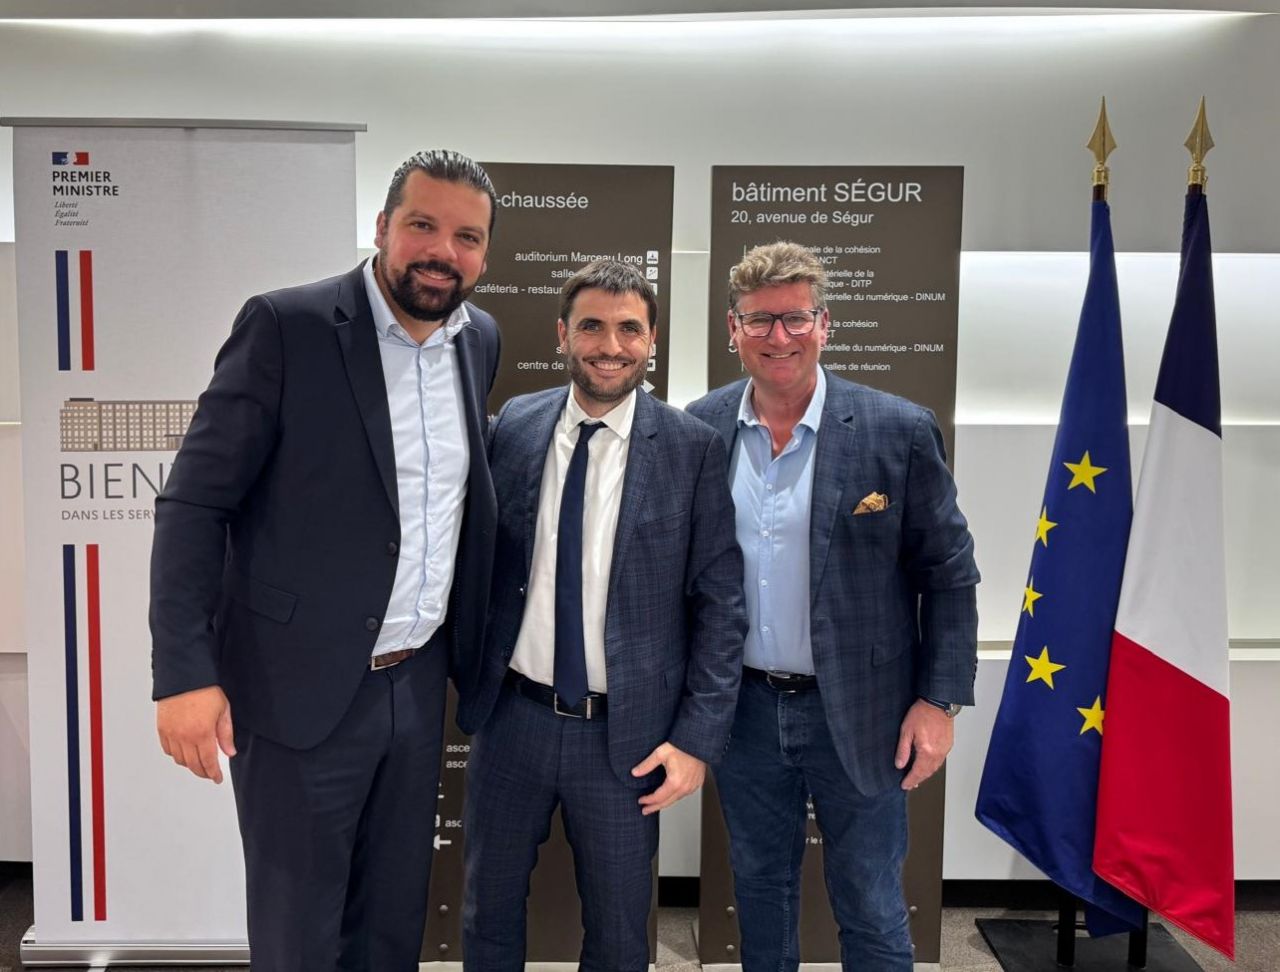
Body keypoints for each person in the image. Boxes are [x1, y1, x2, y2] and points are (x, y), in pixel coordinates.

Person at [149, 150, 501, 972]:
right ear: (382, 226)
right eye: (422, 225)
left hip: (417, 684)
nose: (442, 252)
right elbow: (194, 504)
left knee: (390, 926)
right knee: (299, 935)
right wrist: (183, 673)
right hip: (296, 688)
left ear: (484, 255)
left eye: (467, 237)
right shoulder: (287, 327)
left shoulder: (477, 339)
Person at [687, 241, 980, 971]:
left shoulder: (897, 430)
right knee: (759, 891)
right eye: (759, 320)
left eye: (795, 318)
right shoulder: (701, 428)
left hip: (863, 710)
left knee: (871, 901)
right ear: (733, 329)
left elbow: (949, 575)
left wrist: (939, 701)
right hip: (744, 712)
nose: (778, 336)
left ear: (824, 324)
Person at [457, 259, 746, 971]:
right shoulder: (515, 424)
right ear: (562, 334)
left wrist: (697, 740)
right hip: (511, 721)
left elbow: (721, 605)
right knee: (487, 914)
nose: (609, 346)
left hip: (626, 738)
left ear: (651, 342)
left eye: (628, 330)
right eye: (591, 326)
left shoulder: (691, 448)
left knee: (619, 935)